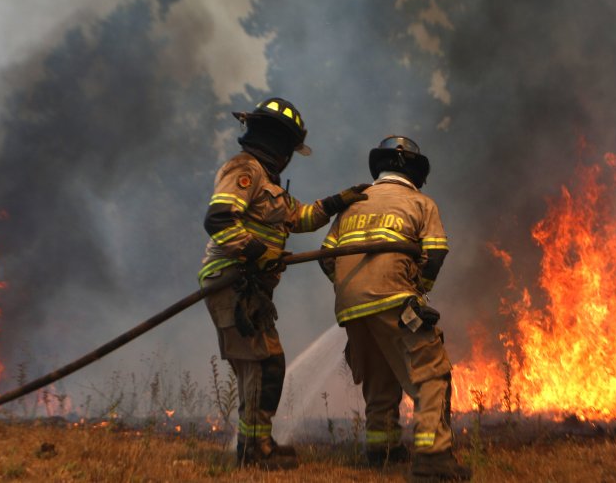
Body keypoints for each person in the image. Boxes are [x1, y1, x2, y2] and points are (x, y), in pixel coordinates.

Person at [199, 97, 369, 470]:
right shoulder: (244, 170)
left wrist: (338, 201)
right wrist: (256, 251)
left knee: (263, 365)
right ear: (279, 141)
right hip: (232, 281)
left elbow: (301, 217)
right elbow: (219, 219)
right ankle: (253, 450)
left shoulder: (269, 182)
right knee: (263, 364)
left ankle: (256, 443)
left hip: (251, 286)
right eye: (290, 148)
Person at [318, 136, 471, 481]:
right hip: (395, 299)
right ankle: (432, 457)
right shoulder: (421, 203)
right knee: (431, 374)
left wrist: (352, 289)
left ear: (380, 168)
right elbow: (436, 254)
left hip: (350, 307)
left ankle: (381, 450)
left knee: (380, 379)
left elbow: (327, 258)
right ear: (415, 172)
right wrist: (419, 291)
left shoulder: (352, 206)